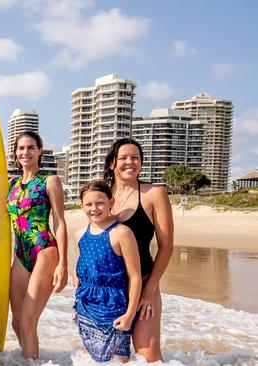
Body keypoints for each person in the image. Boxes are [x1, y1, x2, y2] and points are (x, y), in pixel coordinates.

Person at [103, 138, 174, 362]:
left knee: (148, 356)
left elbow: (167, 246)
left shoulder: (154, 193)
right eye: (123, 158)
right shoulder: (104, 198)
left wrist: (150, 289)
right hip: (110, 289)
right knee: (110, 356)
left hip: (144, 283)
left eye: (135, 157)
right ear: (113, 163)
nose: (130, 162)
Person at [5, 131, 68, 359]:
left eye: (31, 147)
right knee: (17, 322)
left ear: (40, 150)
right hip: (20, 254)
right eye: (21, 148)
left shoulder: (49, 181)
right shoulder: (11, 184)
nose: (25, 152)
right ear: (15, 152)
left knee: (28, 322)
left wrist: (63, 263)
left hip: (44, 250)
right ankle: (32, 359)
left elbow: (60, 221)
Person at [73, 180, 141, 362]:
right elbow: (79, 270)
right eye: (88, 204)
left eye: (100, 203)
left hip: (114, 306)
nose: (94, 208)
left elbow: (135, 276)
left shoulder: (121, 233)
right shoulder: (80, 234)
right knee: (88, 359)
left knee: (118, 359)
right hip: (86, 306)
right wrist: (76, 303)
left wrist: (130, 314)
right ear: (82, 206)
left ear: (111, 203)